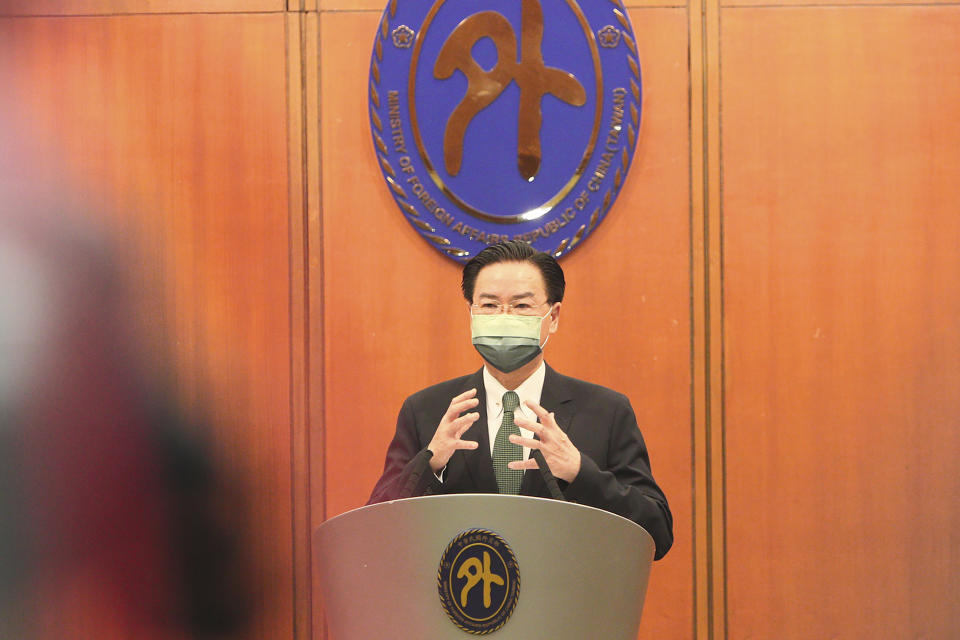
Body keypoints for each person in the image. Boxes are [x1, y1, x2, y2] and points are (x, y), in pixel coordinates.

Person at [368, 241, 673, 559]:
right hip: (458, 601)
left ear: (553, 317)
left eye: (521, 306)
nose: (504, 317)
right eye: (489, 306)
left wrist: (579, 472)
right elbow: (374, 529)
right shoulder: (427, 411)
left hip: (565, 603)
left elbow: (657, 533)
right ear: (471, 313)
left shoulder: (606, 412)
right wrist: (429, 463)